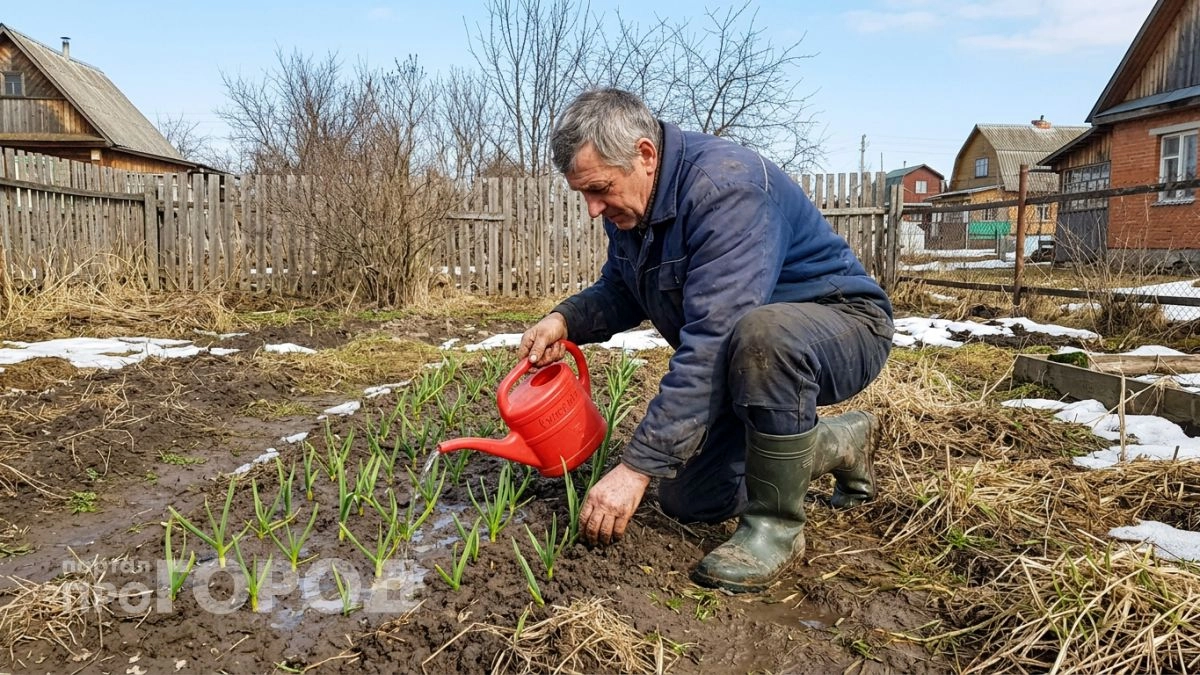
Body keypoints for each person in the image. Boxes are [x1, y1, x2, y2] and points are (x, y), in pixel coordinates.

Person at [516, 88, 894, 593]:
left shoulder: (726, 191)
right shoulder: (635, 206)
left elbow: (714, 340)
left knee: (763, 335)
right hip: (749, 355)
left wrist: (634, 468)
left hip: (841, 325)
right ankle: (839, 441)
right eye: (583, 193)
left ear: (645, 154)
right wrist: (564, 320)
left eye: (599, 189)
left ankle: (777, 529)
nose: (591, 209)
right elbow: (623, 288)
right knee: (688, 497)